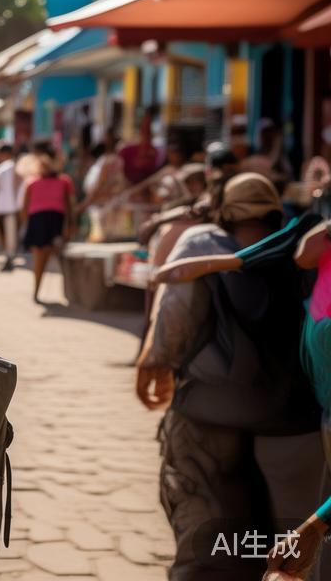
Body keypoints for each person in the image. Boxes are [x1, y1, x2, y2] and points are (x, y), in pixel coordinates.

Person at [137, 174, 328, 581]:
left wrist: (155, 361)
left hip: (209, 420)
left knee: (207, 549)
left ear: (222, 210)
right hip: (295, 426)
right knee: (293, 556)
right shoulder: (304, 246)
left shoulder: (203, 241)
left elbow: (177, 314)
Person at [20, 154, 75, 304]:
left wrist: (69, 226)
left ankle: (69, 293)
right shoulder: (33, 182)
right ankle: (38, 292)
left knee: (54, 258)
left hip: (47, 221)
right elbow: (24, 207)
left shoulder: (63, 181)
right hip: (43, 222)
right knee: (46, 259)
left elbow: (70, 207)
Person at [0, 143, 21, 272]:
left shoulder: (1, 169)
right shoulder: (17, 167)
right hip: (13, 207)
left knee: (6, 235)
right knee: (10, 234)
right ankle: (9, 257)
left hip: (4, 207)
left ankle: (9, 258)